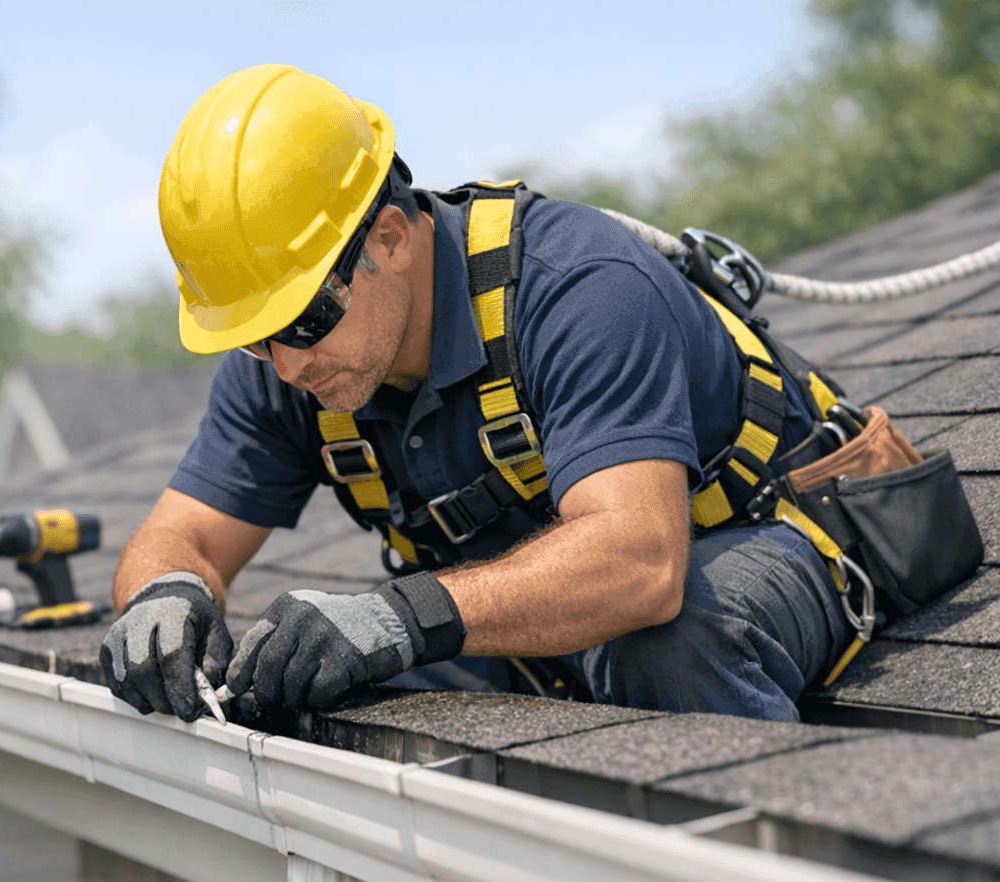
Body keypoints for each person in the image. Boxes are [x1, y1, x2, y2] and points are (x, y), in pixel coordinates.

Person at [98, 64, 851, 724]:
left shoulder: (577, 289)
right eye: (253, 335)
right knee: (298, 680)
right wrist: (164, 593)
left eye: (303, 321)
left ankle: (780, 875)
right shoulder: (286, 360)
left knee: (665, 645)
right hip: (570, 605)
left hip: (768, 531)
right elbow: (181, 537)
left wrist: (398, 616)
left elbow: (641, 563)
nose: (286, 366)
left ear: (389, 240)